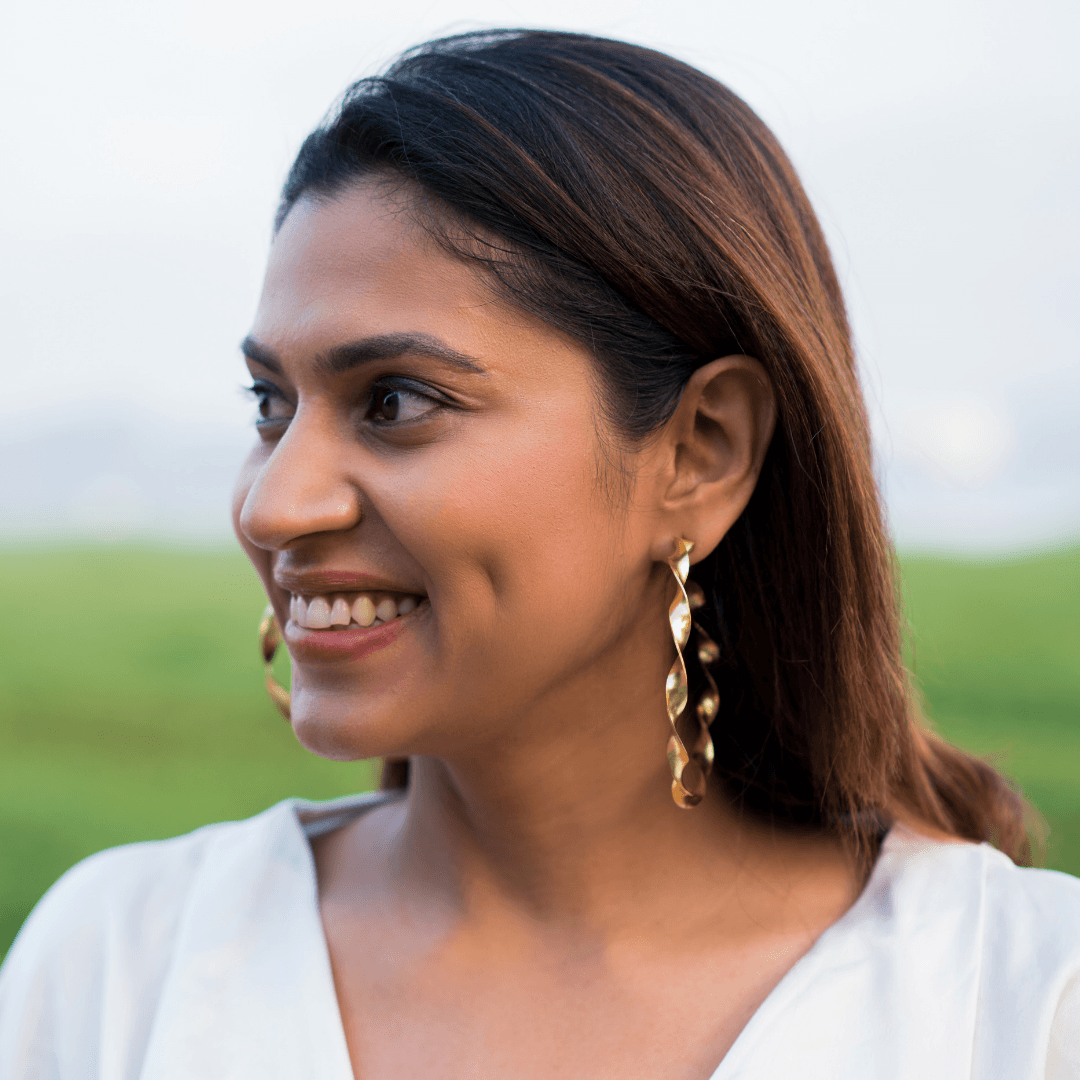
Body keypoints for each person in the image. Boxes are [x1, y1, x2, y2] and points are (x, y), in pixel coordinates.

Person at [0, 28, 1077, 1079]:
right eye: (270, 406)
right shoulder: (118, 967)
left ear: (700, 453)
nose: (275, 505)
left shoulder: (1021, 1005)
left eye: (396, 401)